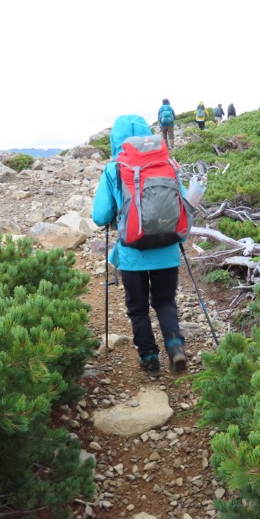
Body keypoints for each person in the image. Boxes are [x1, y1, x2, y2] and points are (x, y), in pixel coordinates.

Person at [91, 114, 187, 378]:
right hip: (168, 250)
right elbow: (184, 206)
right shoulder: (169, 164)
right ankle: (175, 345)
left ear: (115, 141)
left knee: (138, 308)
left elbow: (99, 215)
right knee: (165, 302)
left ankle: (149, 358)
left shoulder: (114, 169)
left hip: (132, 253)